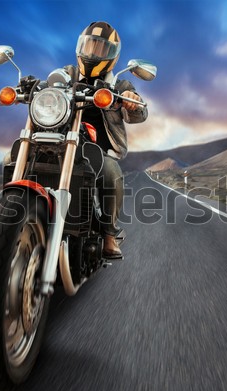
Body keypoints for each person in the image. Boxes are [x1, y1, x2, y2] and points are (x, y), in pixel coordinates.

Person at [68, 21, 148, 259]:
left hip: (100, 150)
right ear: (81, 46)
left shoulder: (120, 84)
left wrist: (130, 99)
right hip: (63, 140)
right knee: (10, 156)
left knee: (111, 173)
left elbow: (140, 114)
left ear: (112, 55)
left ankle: (109, 236)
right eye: (91, 46)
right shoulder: (69, 73)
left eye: (102, 49)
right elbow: (54, 79)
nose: (94, 53)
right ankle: (15, 213)